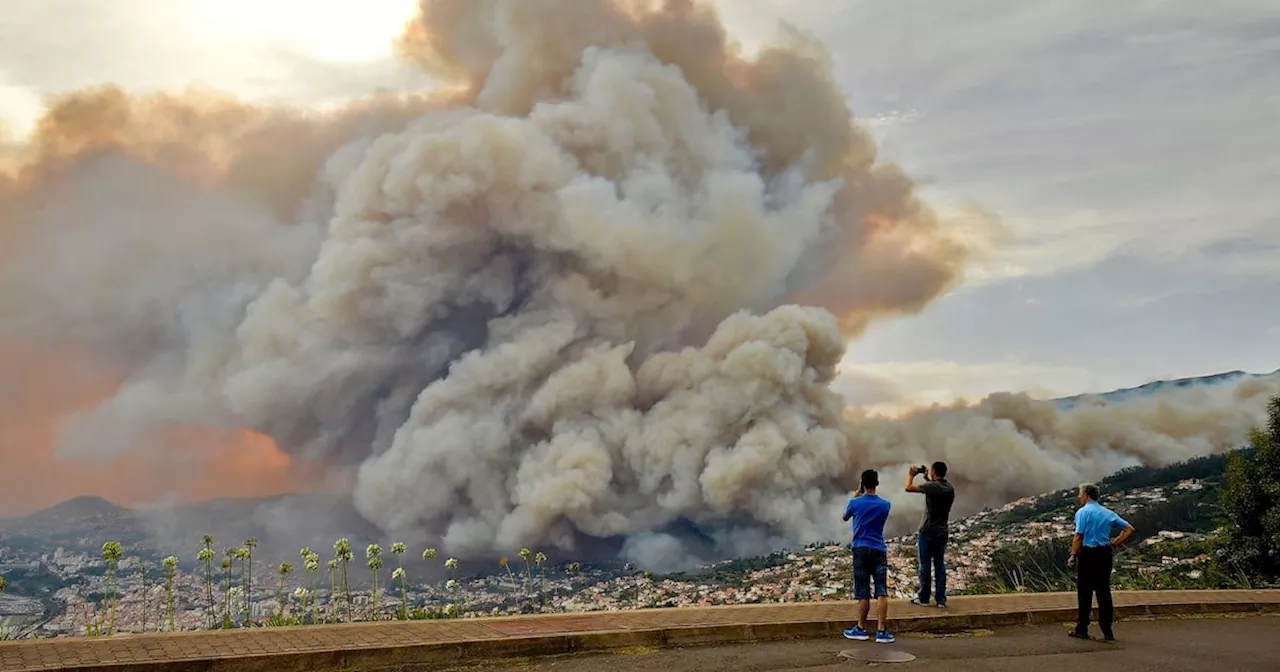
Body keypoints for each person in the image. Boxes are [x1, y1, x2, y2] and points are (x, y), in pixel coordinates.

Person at [1067, 482, 1135, 641]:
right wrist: (1115, 542)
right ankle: (1107, 631)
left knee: (1085, 592)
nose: (1079, 496)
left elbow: (1078, 536)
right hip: (1104, 554)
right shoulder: (1107, 513)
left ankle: (1082, 628)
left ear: (1086, 495)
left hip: (1088, 553)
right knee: (1103, 592)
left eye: (1080, 493)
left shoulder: (1083, 512)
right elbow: (1129, 529)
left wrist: (1073, 555)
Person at [842, 469, 895, 644]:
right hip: (879, 549)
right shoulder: (885, 504)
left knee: (862, 591)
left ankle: (861, 628)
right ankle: (881, 631)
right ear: (877, 483)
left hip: (860, 549)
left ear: (862, 484)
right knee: (881, 591)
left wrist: (856, 494)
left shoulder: (855, 503)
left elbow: (845, 517)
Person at [905, 461, 955, 608]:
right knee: (939, 564)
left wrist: (911, 475)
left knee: (925, 565)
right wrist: (927, 478)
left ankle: (924, 598)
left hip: (928, 531)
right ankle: (941, 600)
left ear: (933, 471)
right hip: (942, 530)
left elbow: (908, 488)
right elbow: (935, 488)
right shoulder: (949, 488)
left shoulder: (933, 487)